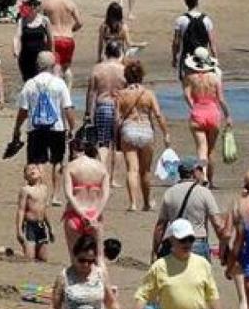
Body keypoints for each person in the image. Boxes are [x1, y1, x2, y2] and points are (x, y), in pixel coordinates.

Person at [125, 218, 231, 309]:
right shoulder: (160, 266)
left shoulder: (202, 264)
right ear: (171, 241)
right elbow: (143, 296)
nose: (187, 243)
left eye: (190, 239)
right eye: (182, 240)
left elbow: (213, 297)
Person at [12, 51, 75, 207]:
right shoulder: (59, 83)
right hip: (57, 127)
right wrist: (72, 127)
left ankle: (41, 193)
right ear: (53, 65)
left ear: (37, 65)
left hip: (35, 128)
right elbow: (67, 108)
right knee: (57, 161)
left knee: (37, 160)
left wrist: (17, 127)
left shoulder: (30, 84)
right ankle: (55, 196)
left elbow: (23, 110)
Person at [116, 59, 170, 211]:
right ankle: (146, 202)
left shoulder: (121, 94)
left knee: (132, 169)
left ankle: (133, 203)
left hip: (129, 130)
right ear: (141, 76)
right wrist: (166, 133)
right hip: (146, 130)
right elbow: (158, 115)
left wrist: (115, 137)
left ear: (126, 76)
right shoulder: (149, 94)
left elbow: (116, 118)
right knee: (145, 170)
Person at [153, 158, 227, 263]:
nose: (202, 173)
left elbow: (160, 226)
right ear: (194, 172)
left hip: (175, 244)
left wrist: (155, 251)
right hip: (197, 243)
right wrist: (224, 249)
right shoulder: (204, 193)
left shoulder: (169, 193)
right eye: (200, 169)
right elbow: (218, 224)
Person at [182, 48, 232, 188]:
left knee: (201, 149)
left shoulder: (190, 77)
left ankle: (203, 176)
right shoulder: (215, 77)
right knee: (211, 150)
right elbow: (221, 99)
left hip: (198, 113)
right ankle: (210, 180)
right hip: (213, 113)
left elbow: (186, 95)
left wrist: (193, 106)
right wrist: (228, 116)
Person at [86, 42, 126, 186]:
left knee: (103, 143)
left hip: (102, 106)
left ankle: (103, 174)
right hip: (119, 107)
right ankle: (113, 179)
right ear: (119, 53)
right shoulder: (123, 69)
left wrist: (87, 112)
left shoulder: (98, 68)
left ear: (105, 52)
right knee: (118, 145)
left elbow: (91, 92)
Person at [42, 0, 83, 89]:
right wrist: (71, 29)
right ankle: (67, 94)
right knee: (66, 68)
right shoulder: (69, 2)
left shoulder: (47, 3)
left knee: (55, 67)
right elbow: (80, 22)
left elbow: (42, 23)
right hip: (68, 38)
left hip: (53, 38)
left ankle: (55, 92)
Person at [172, 0, 217, 81]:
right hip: (203, 57)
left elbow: (176, 42)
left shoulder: (181, 20)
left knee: (187, 85)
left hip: (187, 57)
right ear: (197, 2)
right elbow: (212, 42)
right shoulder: (206, 19)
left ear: (186, 3)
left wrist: (174, 57)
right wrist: (215, 58)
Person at [13, 0, 52, 83]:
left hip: (41, 58)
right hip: (26, 58)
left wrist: (51, 53)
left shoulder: (45, 20)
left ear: (39, 6)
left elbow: (51, 39)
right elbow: (17, 36)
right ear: (27, 5)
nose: (33, 6)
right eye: (30, 4)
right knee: (28, 82)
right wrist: (15, 50)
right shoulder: (22, 21)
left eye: (35, 4)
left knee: (41, 82)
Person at [16, 163, 51, 261]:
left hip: (41, 225)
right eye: (28, 169)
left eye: (34, 168)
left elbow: (44, 211)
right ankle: (8, 252)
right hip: (29, 225)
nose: (32, 170)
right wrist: (19, 230)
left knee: (43, 258)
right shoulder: (25, 190)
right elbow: (21, 210)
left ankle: (26, 250)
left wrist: (50, 227)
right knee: (29, 258)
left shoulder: (44, 189)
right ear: (25, 176)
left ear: (40, 173)